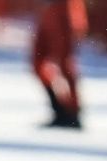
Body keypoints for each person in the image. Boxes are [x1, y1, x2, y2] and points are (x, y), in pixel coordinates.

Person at [31, 0, 87, 129]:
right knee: (38, 63)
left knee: (65, 63)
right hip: (46, 10)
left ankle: (73, 112)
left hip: (65, 9)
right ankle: (59, 109)